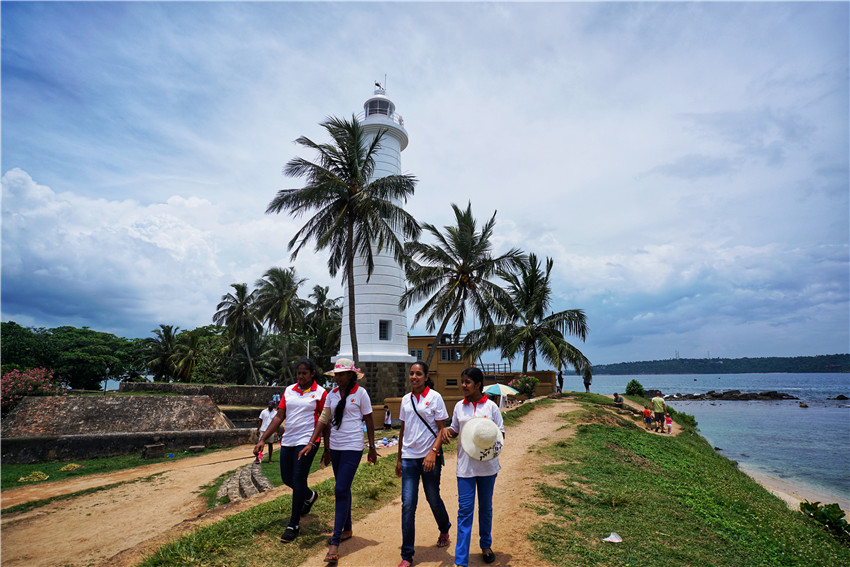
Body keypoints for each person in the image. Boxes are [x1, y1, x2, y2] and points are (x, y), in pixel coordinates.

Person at [298, 358, 378, 565]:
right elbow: (323, 419)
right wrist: (311, 442)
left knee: (340, 489)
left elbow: (369, 420)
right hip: (335, 447)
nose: (339, 377)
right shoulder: (332, 395)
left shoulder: (361, 394)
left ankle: (335, 542)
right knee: (344, 489)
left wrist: (372, 447)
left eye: (343, 374)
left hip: (352, 447)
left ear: (352, 375)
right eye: (337, 374)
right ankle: (348, 528)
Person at [253, 358, 328, 542]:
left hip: (309, 440)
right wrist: (263, 438)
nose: (301, 376)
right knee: (287, 478)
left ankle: (293, 524)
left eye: (304, 373)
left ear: (312, 374)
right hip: (289, 440)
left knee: (298, 478)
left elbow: (323, 421)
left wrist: (327, 447)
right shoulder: (289, 390)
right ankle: (309, 496)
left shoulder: (320, 393)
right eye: (299, 373)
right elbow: (279, 416)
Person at [440, 367, 505, 567]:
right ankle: (461, 560)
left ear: (478, 385)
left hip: (488, 467)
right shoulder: (460, 406)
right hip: (466, 468)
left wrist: (488, 443)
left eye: (467, 382)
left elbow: (501, 433)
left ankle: (486, 546)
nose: (463, 386)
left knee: (486, 509)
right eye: (462, 381)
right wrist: (446, 432)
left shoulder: (491, 408)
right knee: (465, 511)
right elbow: (455, 430)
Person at [395, 361, 451, 567]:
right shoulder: (405, 400)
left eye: (418, 374)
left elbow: (441, 430)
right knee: (408, 504)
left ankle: (444, 527)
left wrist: (432, 453)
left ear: (426, 377)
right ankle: (407, 555)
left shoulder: (435, 398)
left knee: (433, 498)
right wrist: (399, 458)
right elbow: (403, 430)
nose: (414, 377)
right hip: (409, 457)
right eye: (411, 373)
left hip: (430, 457)